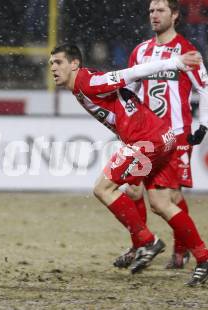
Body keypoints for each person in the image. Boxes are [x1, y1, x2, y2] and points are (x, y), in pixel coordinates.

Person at [49, 43, 208, 286]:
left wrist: (174, 63)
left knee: (103, 188)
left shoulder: (87, 82)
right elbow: (125, 87)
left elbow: (131, 73)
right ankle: (203, 258)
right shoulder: (84, 83)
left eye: (58, 62)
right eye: (51, 63)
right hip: (162, 136)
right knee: (160, 203)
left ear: (74, 64)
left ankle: (147, 241)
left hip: (145, 141)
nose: (53, 68)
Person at [115, 0, 208, 271]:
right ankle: (141, 244)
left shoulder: (187, 50)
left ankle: (182, 252)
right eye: (151, 11)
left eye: (161, 11)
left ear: (175, 15)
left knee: (171, 199)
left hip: (176, 136)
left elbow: (203, 88)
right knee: (131, 188)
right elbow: (128, 86)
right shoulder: (141, 51)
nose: (154, 16)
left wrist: (204, 124)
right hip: (148, 135)